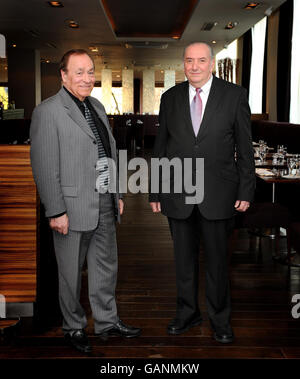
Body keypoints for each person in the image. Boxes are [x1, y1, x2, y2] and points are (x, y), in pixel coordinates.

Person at [30, 49, 141, 353]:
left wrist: (115, 194)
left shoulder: (97, 106)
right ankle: (73, 327)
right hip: (71, 207)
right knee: (69, 272)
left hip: (103, 202)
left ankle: (107, 321)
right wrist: (56, 211)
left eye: (90, 71)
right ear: (63, 75)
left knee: (106, 267)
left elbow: (105, 152)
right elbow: (44, 165)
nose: (86, 78)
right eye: (78, 72)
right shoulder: (48, 111)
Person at [149, 42, 255, 343]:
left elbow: (244, 147)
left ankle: (220, 320)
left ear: (212, 63)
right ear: (183, 64)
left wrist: (246, 189)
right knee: (183, 261)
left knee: (218, 262)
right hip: (177, 192)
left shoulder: (234, 95)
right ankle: (187, 313)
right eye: (189, 60)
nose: (194, 66)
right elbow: (161, 148)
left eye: (201, 60)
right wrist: (155, 191)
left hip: (220, 192)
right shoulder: (169, 98)